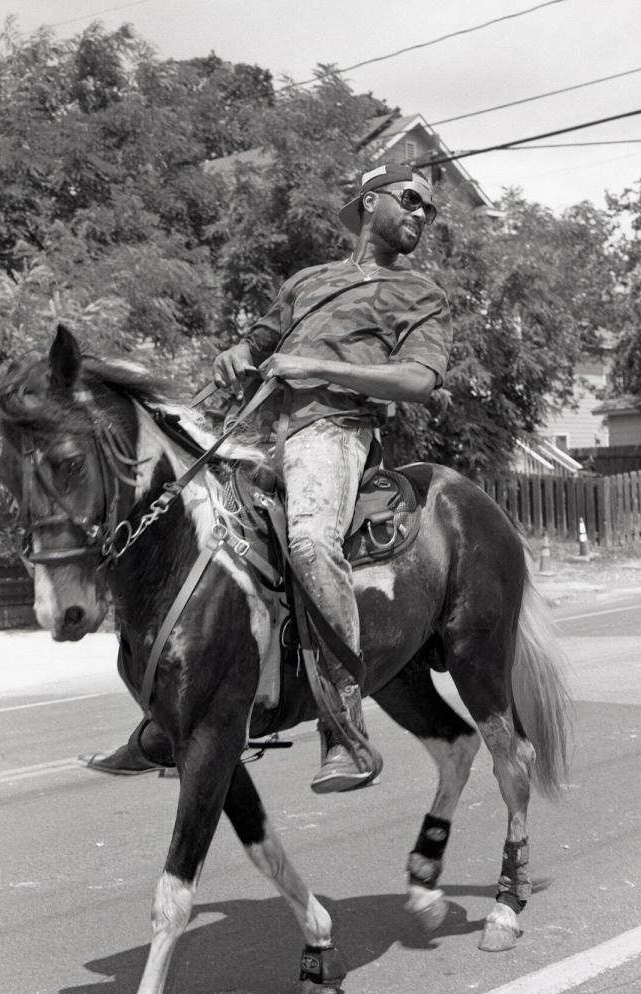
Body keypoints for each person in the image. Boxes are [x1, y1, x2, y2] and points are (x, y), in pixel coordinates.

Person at [88, 159, 452, 793]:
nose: (423, 214)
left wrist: (313, 366)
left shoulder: (421, 295)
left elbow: (418, 381)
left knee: (311, 543)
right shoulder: (307, 281)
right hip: (258, 432)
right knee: (179, 533)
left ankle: (344, 731)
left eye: (429, 209)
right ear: (370, 202)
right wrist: (239, 356)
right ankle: (166, 716)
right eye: (413, 200)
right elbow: (256, 345)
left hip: (334, 433)